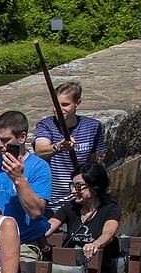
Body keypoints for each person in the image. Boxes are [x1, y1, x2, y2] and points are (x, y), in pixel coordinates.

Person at [45, 162, 121, 273]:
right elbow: (49, 227)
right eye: (73, 186)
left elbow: (109, 233)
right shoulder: (70, 207)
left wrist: (95, 244)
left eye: (79, 186)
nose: (74, 190)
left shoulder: (110, 209)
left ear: (94, 186)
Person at [0, 110, 52, 258]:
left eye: (5, 140)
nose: (0, 145)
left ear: (22, 137)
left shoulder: (39, 167)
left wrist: (18, 179)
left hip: (24, 241)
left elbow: (35, 212)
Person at [34, 81, 106, 211]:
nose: (59, 109)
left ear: (77, 104)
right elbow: (40, 150)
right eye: (56, 105)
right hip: (51, 201)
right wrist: (58, 147)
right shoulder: (46, 125)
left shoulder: (93, 127)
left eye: (65, 105)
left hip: (78, 200)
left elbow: (92, 163)